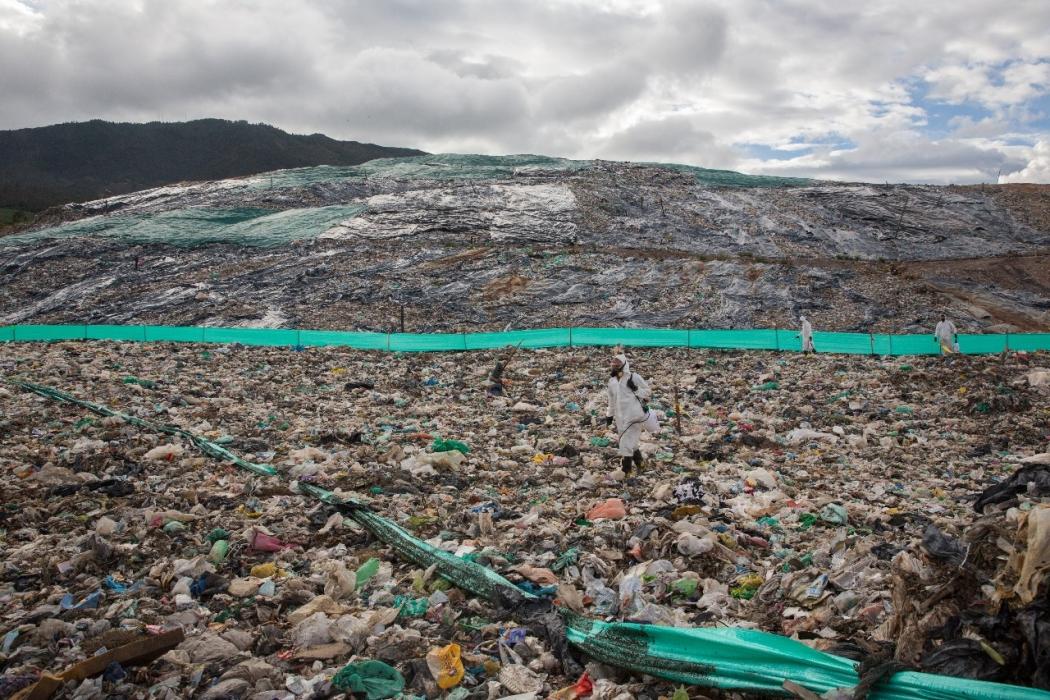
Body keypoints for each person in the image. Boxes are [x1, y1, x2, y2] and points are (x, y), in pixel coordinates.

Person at [605, 353, 651, 475]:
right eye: (614, 363)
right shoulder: (612, 382)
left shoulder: (633, 377)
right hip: (620, 418)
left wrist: (636, 389)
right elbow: (611, 400)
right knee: (631, 442)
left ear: (624, 364)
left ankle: (627, 471)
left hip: (634, 416)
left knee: (625, 443)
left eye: (618, 363)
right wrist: (609, 415)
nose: (615, 365)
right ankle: (640, 462)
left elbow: (647, 392)